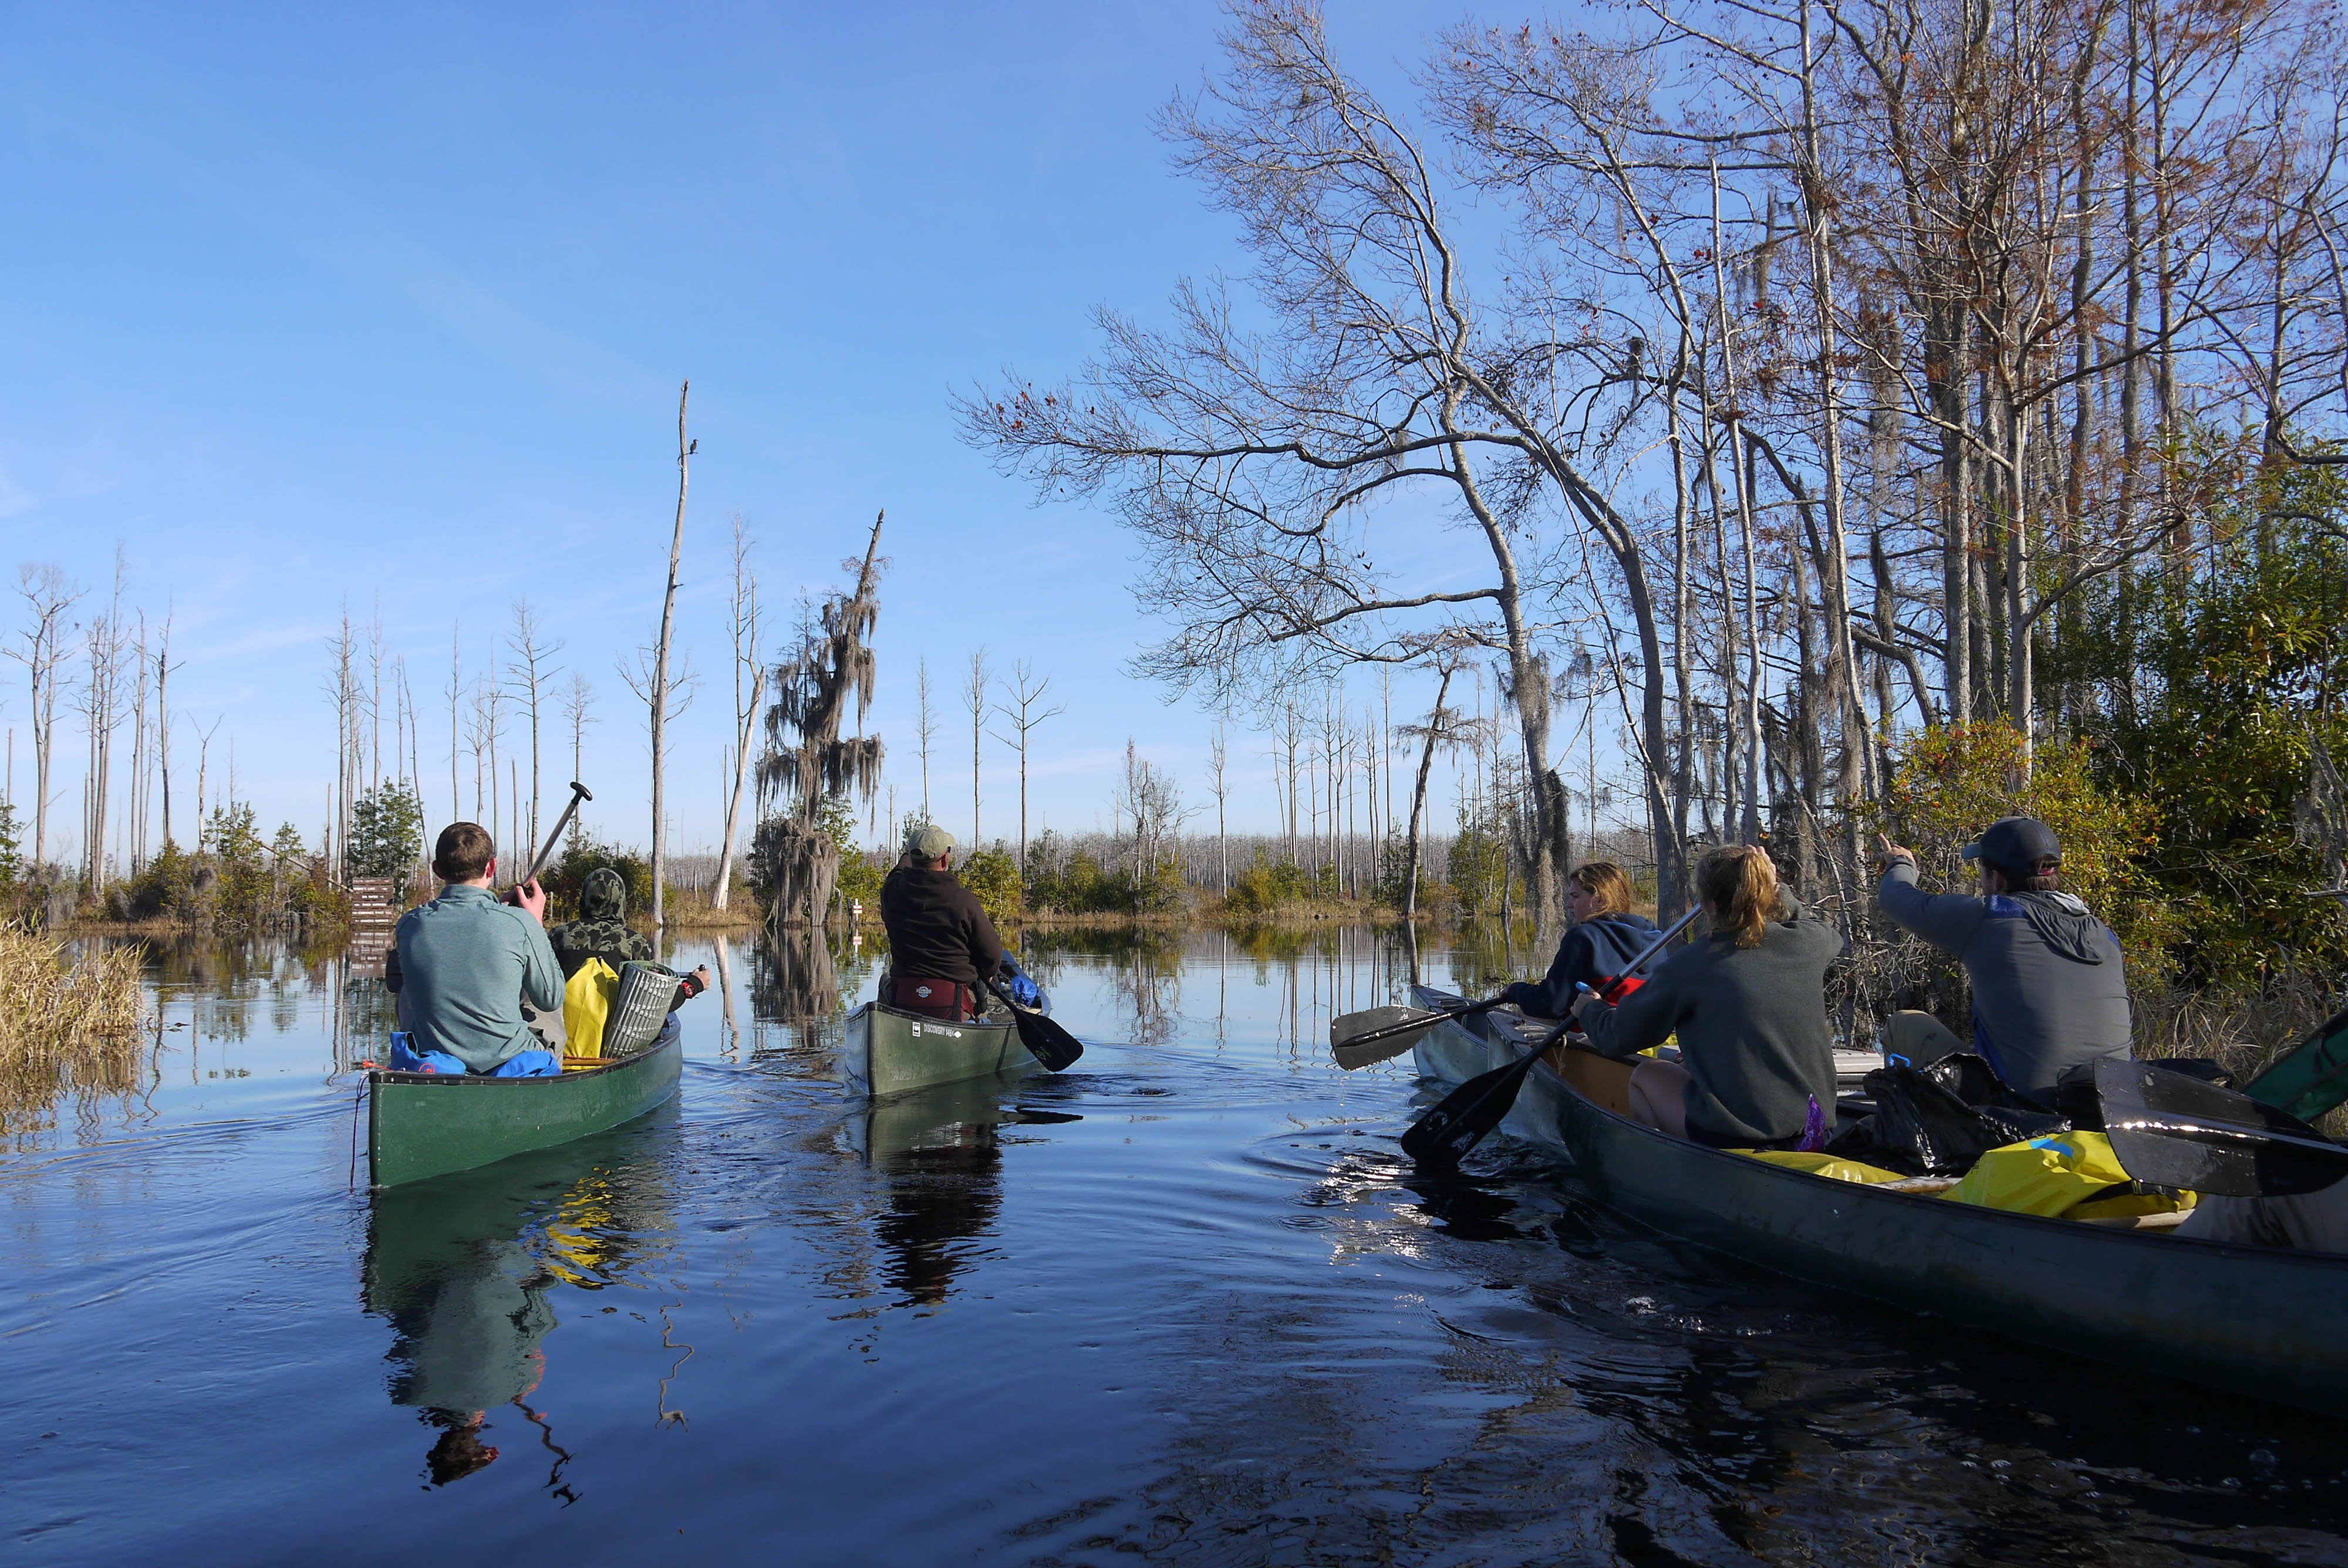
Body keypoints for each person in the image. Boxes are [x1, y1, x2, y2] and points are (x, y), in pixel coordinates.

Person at [1572, 844, 1843, 1148]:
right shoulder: (1810, 943)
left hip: (1738, 1134)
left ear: (1710, 906)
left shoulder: (1692, 963)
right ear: (1767, 893)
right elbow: (1815, 925)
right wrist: (1776, 887)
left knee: (1646, 1075)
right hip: (1816, 1128)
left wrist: (1591, 1010)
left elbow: (1617, 1037)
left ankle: (1669, 1168)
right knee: (1684, 1064)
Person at [1875, 816, 2131, 1106]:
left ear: (1997, 878)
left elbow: (1896, 898)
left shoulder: (1988, 919)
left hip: (2023, 1112)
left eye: (1982, 872)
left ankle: (1915, 1137)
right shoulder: (2106, 937)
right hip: (2113, 1110)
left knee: (1904, 1025)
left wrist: (1902, 863)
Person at [383, 823, 564, 1077]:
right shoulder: (520, 923)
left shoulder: (409, 925)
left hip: (434, 1063)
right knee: (542, 997)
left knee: (405, 991)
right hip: (510, 1062)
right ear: (492, 866)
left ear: (437, 870)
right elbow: (551, 998)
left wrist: (496, 910)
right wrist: (534, 926)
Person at [1497, 861, 1660, 1020]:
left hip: (1596, 1036)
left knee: (1521, 1014)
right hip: (1643, 1037)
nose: (1569, 905)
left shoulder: (1583, 937)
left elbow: (1550, 1004)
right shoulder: (1656, 937)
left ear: (1600, 900)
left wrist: (1515, 990)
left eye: (1575, 896)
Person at [879, 823, 1006, 1021]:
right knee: (983, 990)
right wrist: (984, 975)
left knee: (885, 982)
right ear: (945, 859)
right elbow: (992, 955)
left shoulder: (892, 894)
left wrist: (909, 854)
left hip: (903, 999)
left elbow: (896, 873)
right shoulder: (964, 901)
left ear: (912, 859)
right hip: (954, 1004)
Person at [546, 865, 710, 1006]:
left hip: (564, 1033)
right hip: (615, 1036)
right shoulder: (635, 943)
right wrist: (694, 985)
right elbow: (654, 1003)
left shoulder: (557, 936)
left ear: (583, 900)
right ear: (621, 903)